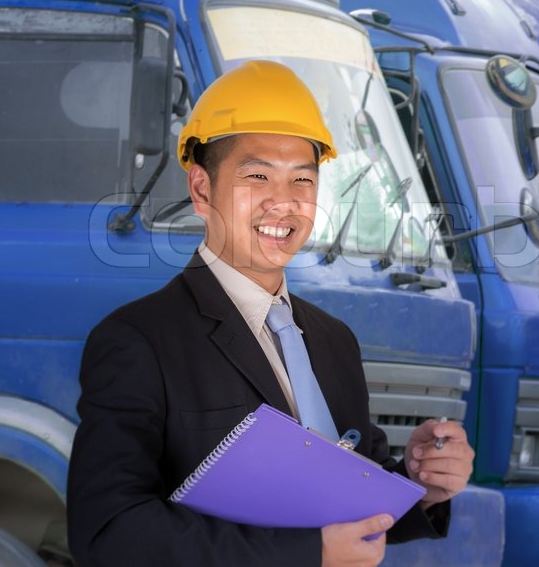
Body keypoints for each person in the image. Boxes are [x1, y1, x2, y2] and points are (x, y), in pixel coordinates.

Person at [67, 60, 474, 566]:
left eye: (302, 180)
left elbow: (352, 488)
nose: (284, 204)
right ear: (201, 190)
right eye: (257, 176)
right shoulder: (139, 340)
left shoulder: (333, 342)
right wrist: (306, 554)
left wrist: (422, 484)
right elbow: (108, 532)